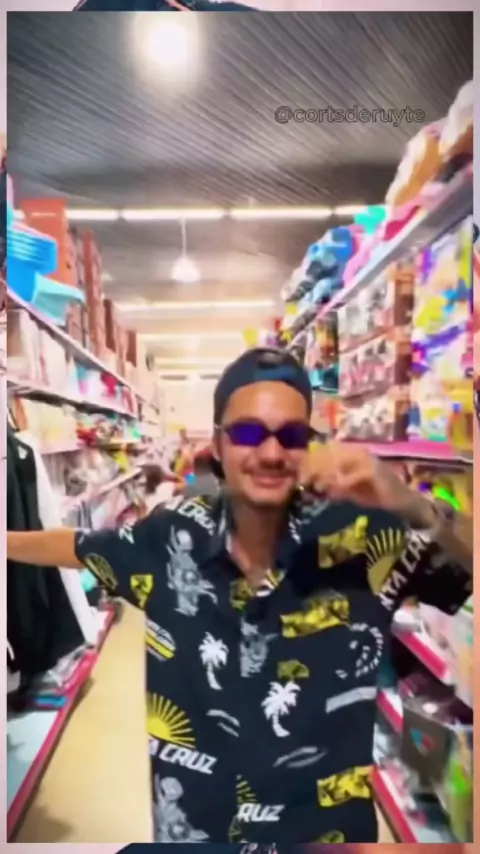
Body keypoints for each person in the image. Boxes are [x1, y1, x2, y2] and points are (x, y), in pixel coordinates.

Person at [7, 347, 472, 843]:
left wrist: (410, 503)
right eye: (248, 433)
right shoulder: (172, 537)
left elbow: (464, 569)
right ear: (217, 445)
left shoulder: (363, 538)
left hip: (326, 835)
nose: (271, 454)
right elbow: (80, 545)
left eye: (291, 436)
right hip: (198, 832)